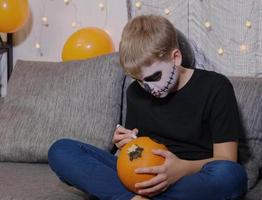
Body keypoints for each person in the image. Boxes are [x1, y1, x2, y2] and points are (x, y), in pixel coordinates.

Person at [48, 15, 247, 200]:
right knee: (61, 150)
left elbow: (226, 159)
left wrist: (180, 169)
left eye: (154, 77)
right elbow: (138, 153)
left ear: (175, 57)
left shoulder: (216, 87)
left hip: (190, 176)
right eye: (140, 81)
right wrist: (125, 145)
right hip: (143, 175)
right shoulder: (135, 92)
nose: (149, 88)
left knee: (231, 175)